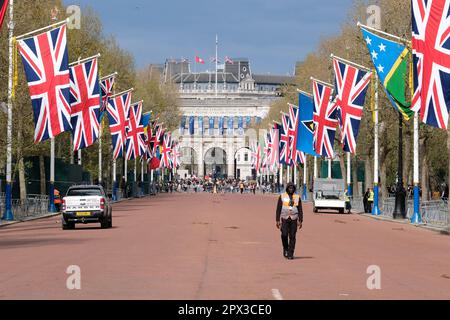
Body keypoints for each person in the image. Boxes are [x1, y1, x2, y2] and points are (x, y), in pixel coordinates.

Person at [276, 183, 304, 260]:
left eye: (292, 188)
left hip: (294, 219)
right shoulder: (282, 196)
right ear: (287, 188)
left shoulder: (297, 197)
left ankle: (290, 253)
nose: (291, 189)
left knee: (292, 236)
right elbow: (278, 208)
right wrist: (277, 220)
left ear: (294, 189)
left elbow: (300, 209)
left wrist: (301, 220)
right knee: (284, 234)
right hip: (284, 218)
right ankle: (285, 248)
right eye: (289, 188)